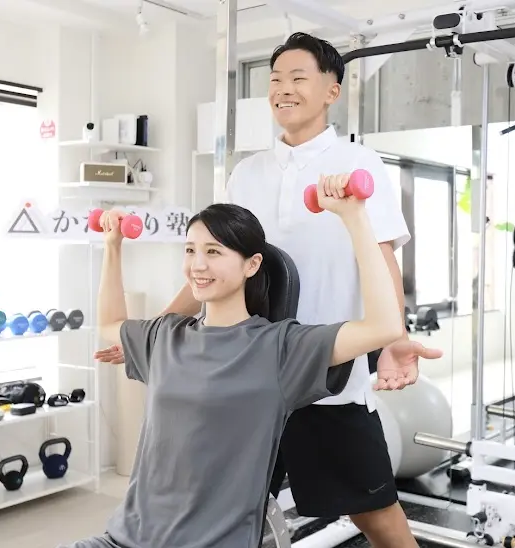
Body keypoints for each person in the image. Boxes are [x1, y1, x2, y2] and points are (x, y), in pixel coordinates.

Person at [96, 32, 442, 548]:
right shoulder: (246, 173)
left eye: (299, 78)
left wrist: (392, 344)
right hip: (247, 375)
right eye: (275, 79)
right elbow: (217, 263)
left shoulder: (360, 165)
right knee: (232, 505)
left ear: (332, 90)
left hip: (322, 370)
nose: (283, 89)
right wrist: (165, 332)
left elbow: (384, 258)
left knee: (376, 513)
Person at [64, 180, 404, 548]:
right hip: (124, 539)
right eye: (190, 250)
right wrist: (112, 247)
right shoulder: (165, 336)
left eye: (213, 251)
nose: (198, 264)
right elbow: (109, 325)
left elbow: (383, 326)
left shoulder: (280, 349)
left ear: (252, 265)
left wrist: (354, 217)